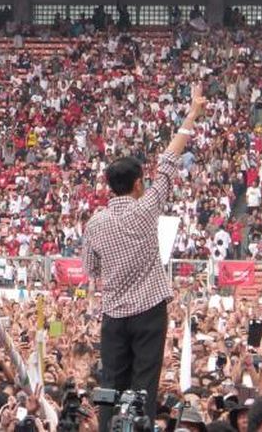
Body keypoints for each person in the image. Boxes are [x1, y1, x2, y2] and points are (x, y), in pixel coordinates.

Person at [84, 83, 206, 430]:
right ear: (139, 183)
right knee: (144, 383)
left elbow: (91, 268)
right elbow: (168, 161)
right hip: (149, 311)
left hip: (113, 315)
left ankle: (109, 426)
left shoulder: (95, 222)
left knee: (110, 382)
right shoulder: (147, 208)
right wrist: (192, 113)